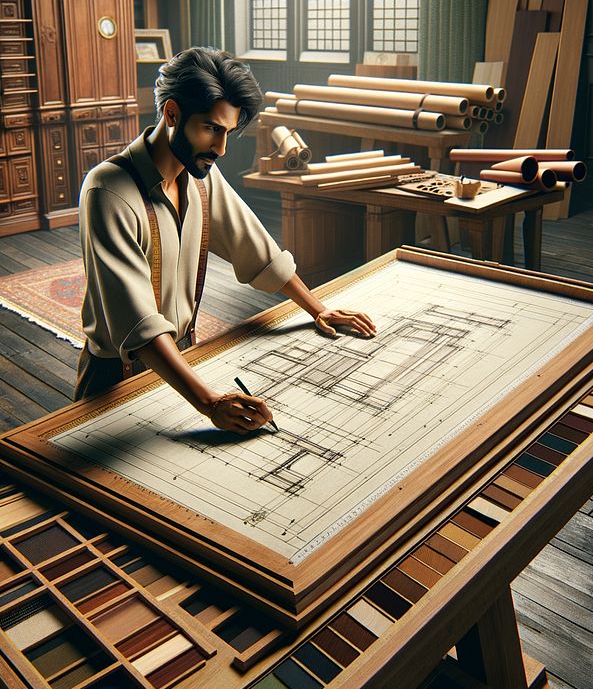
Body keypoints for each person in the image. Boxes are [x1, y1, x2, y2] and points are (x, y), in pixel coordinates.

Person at [75, 46, 376, 433]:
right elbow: (140, 327)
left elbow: (258, 250)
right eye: (211, 129)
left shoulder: (201, 179)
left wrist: (318, 309)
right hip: (115, 382)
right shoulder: (108, 191)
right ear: (172, 113)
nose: (221, 149)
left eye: (228, 132)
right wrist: (210, 402)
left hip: (182, 369)